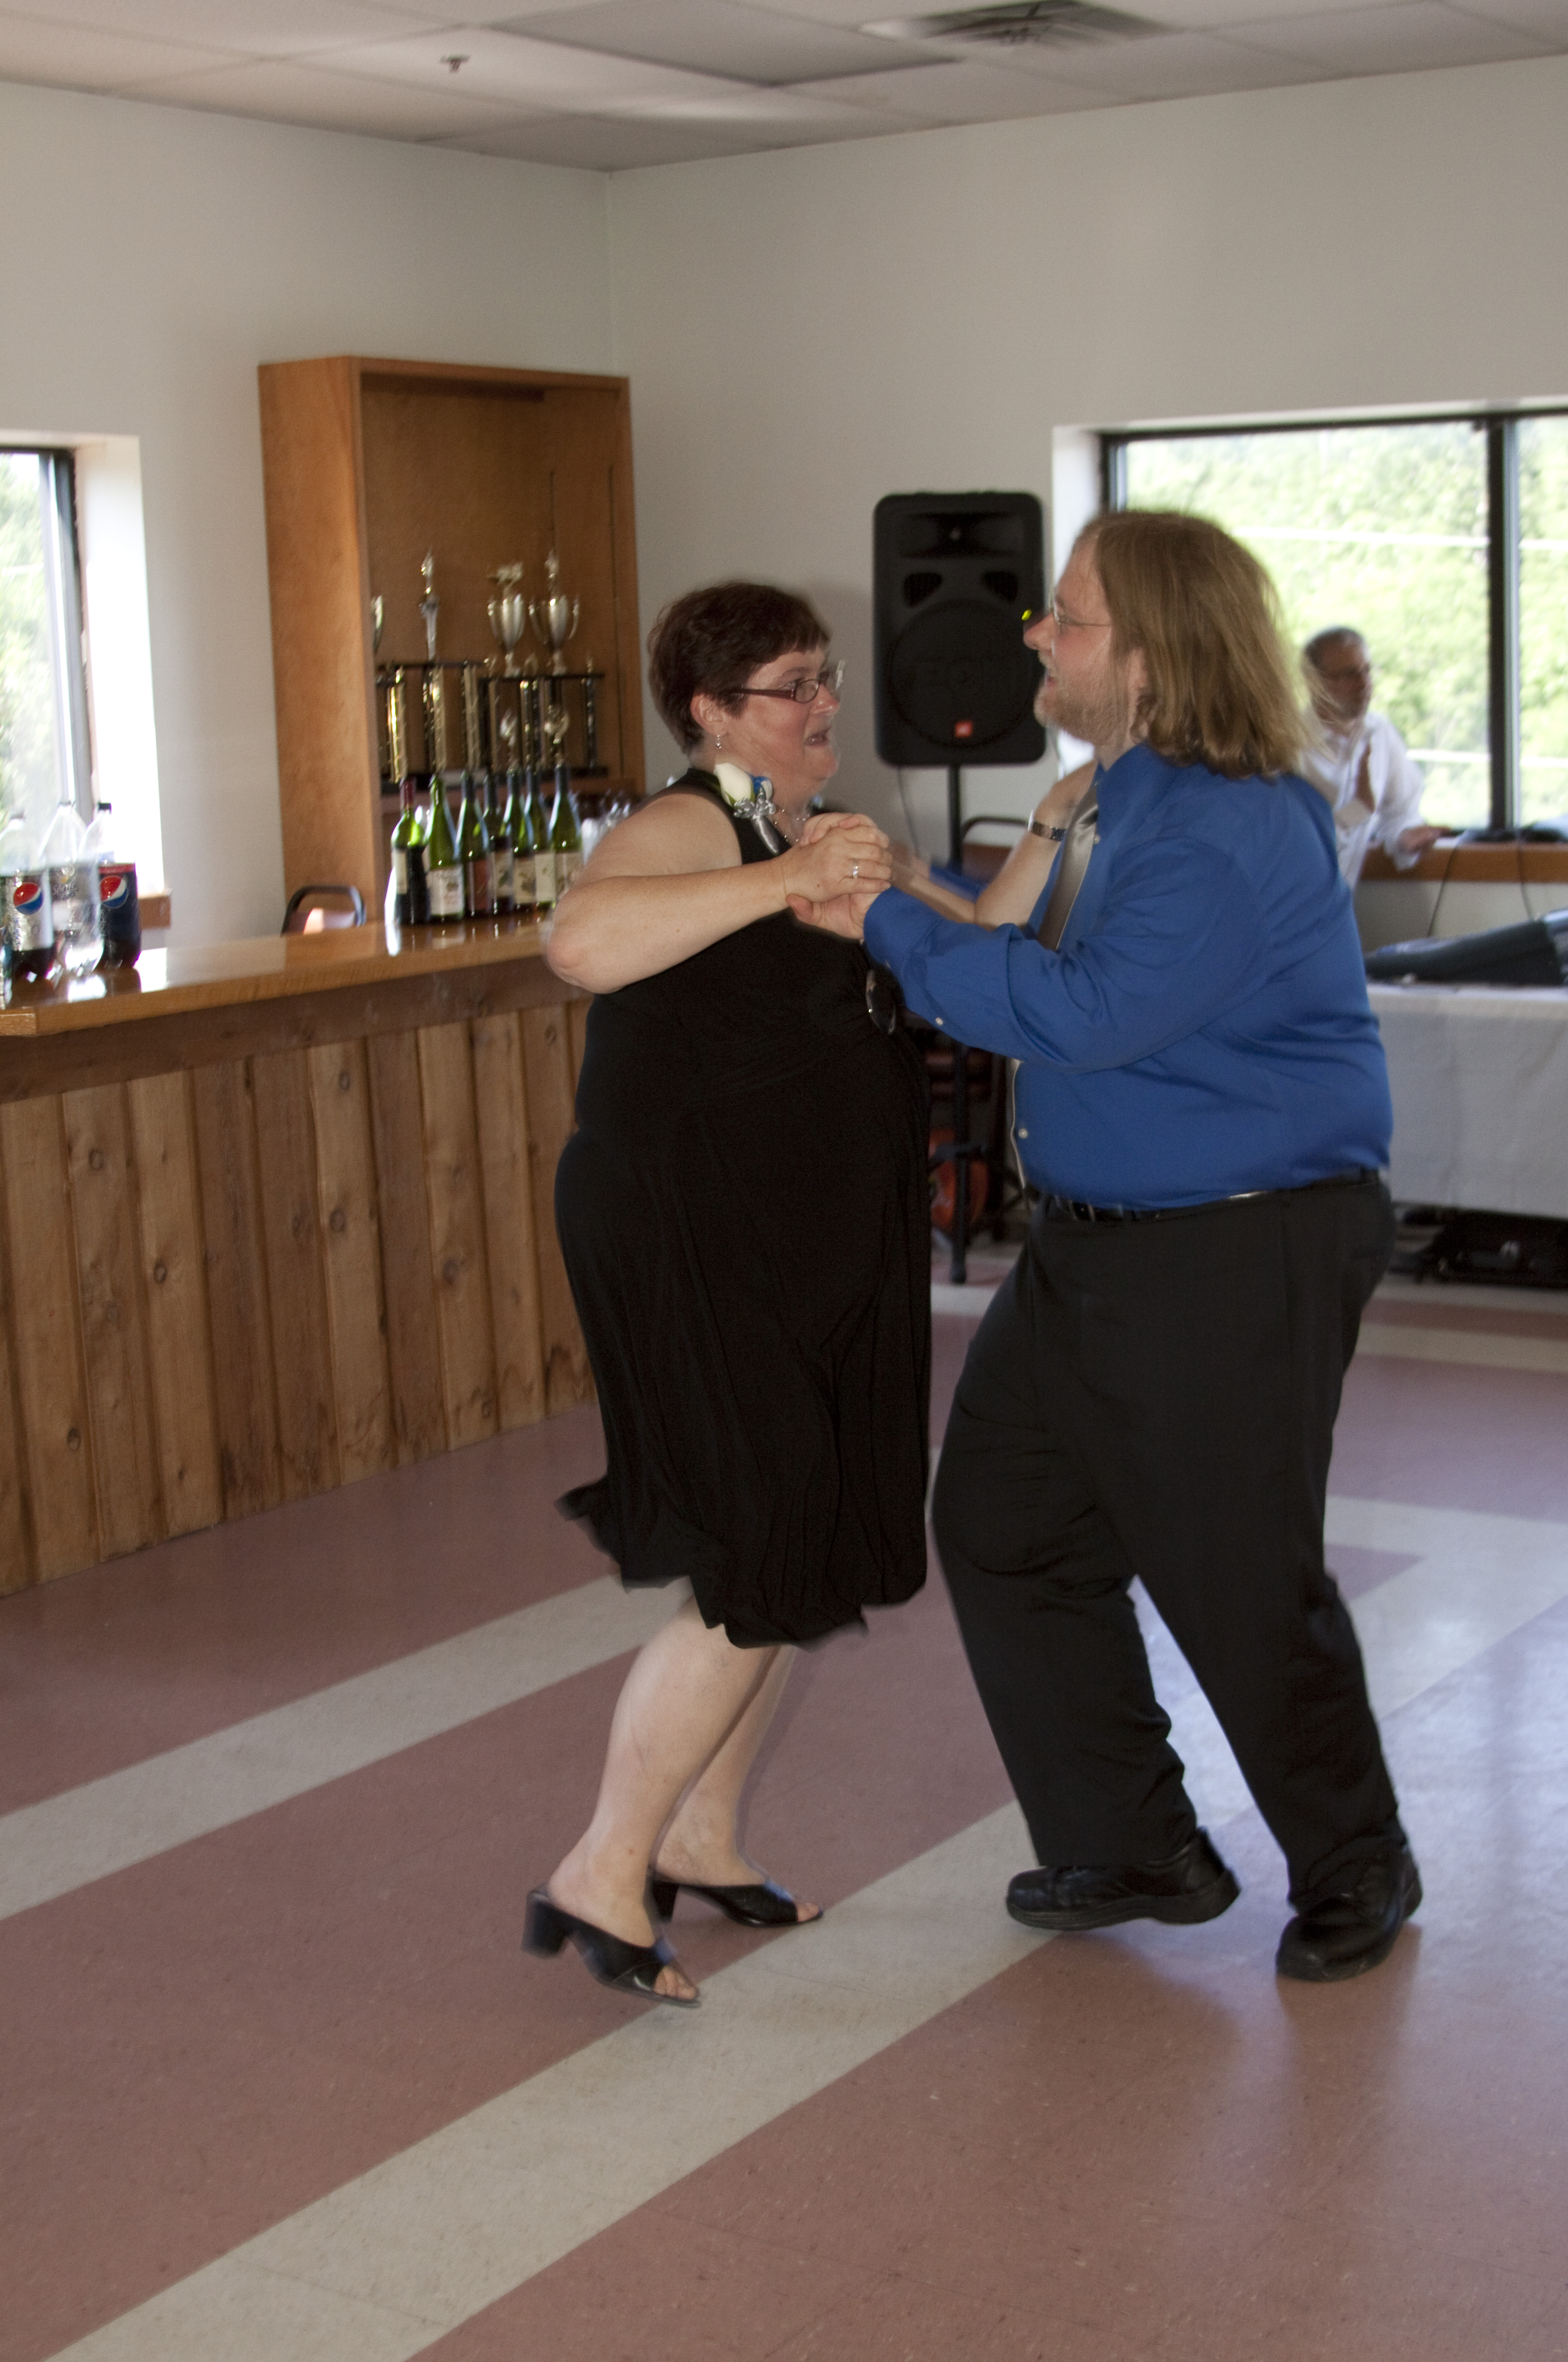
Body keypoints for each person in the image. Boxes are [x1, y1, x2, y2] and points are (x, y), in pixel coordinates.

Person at [792, 510, 1420, 1986]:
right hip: (1103, 1243)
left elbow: (1076, 1012)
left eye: (1065, 617)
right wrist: (903, 900)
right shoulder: (1127, 799)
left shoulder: (1223, 826)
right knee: (1003, 1521)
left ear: (1147, 656)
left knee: (1236, 1569)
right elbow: (1029, 956)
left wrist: (879, 919)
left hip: (1232, 1246)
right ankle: (1135, 1840)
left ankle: (1357, 1861)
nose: (1035, 634)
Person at [525, 582, 930, 2007]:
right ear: (710, 711)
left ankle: (699, 1833)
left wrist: (1063, 827)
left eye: (826, 679)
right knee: (759, 1533)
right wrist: (787, 879)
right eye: (790, 686)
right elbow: (578, 944)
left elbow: (964, 940)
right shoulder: (694, 823)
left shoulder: (812, 827)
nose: (823, 706)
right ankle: (603, 1866)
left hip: (798, 1230)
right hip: (689, 1232)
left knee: (798, 1534)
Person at [1301, 627, 1447, 888]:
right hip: (1288, 905)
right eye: (1349, 675)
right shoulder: (1286, 749)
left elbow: (1401, 811)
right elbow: (1296, 852)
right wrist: (1357, 811)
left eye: (1367, 671)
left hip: (1341, 903)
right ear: (1314, 682)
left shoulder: (1380, 733)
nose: (1365, 684)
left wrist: (1405, 837)